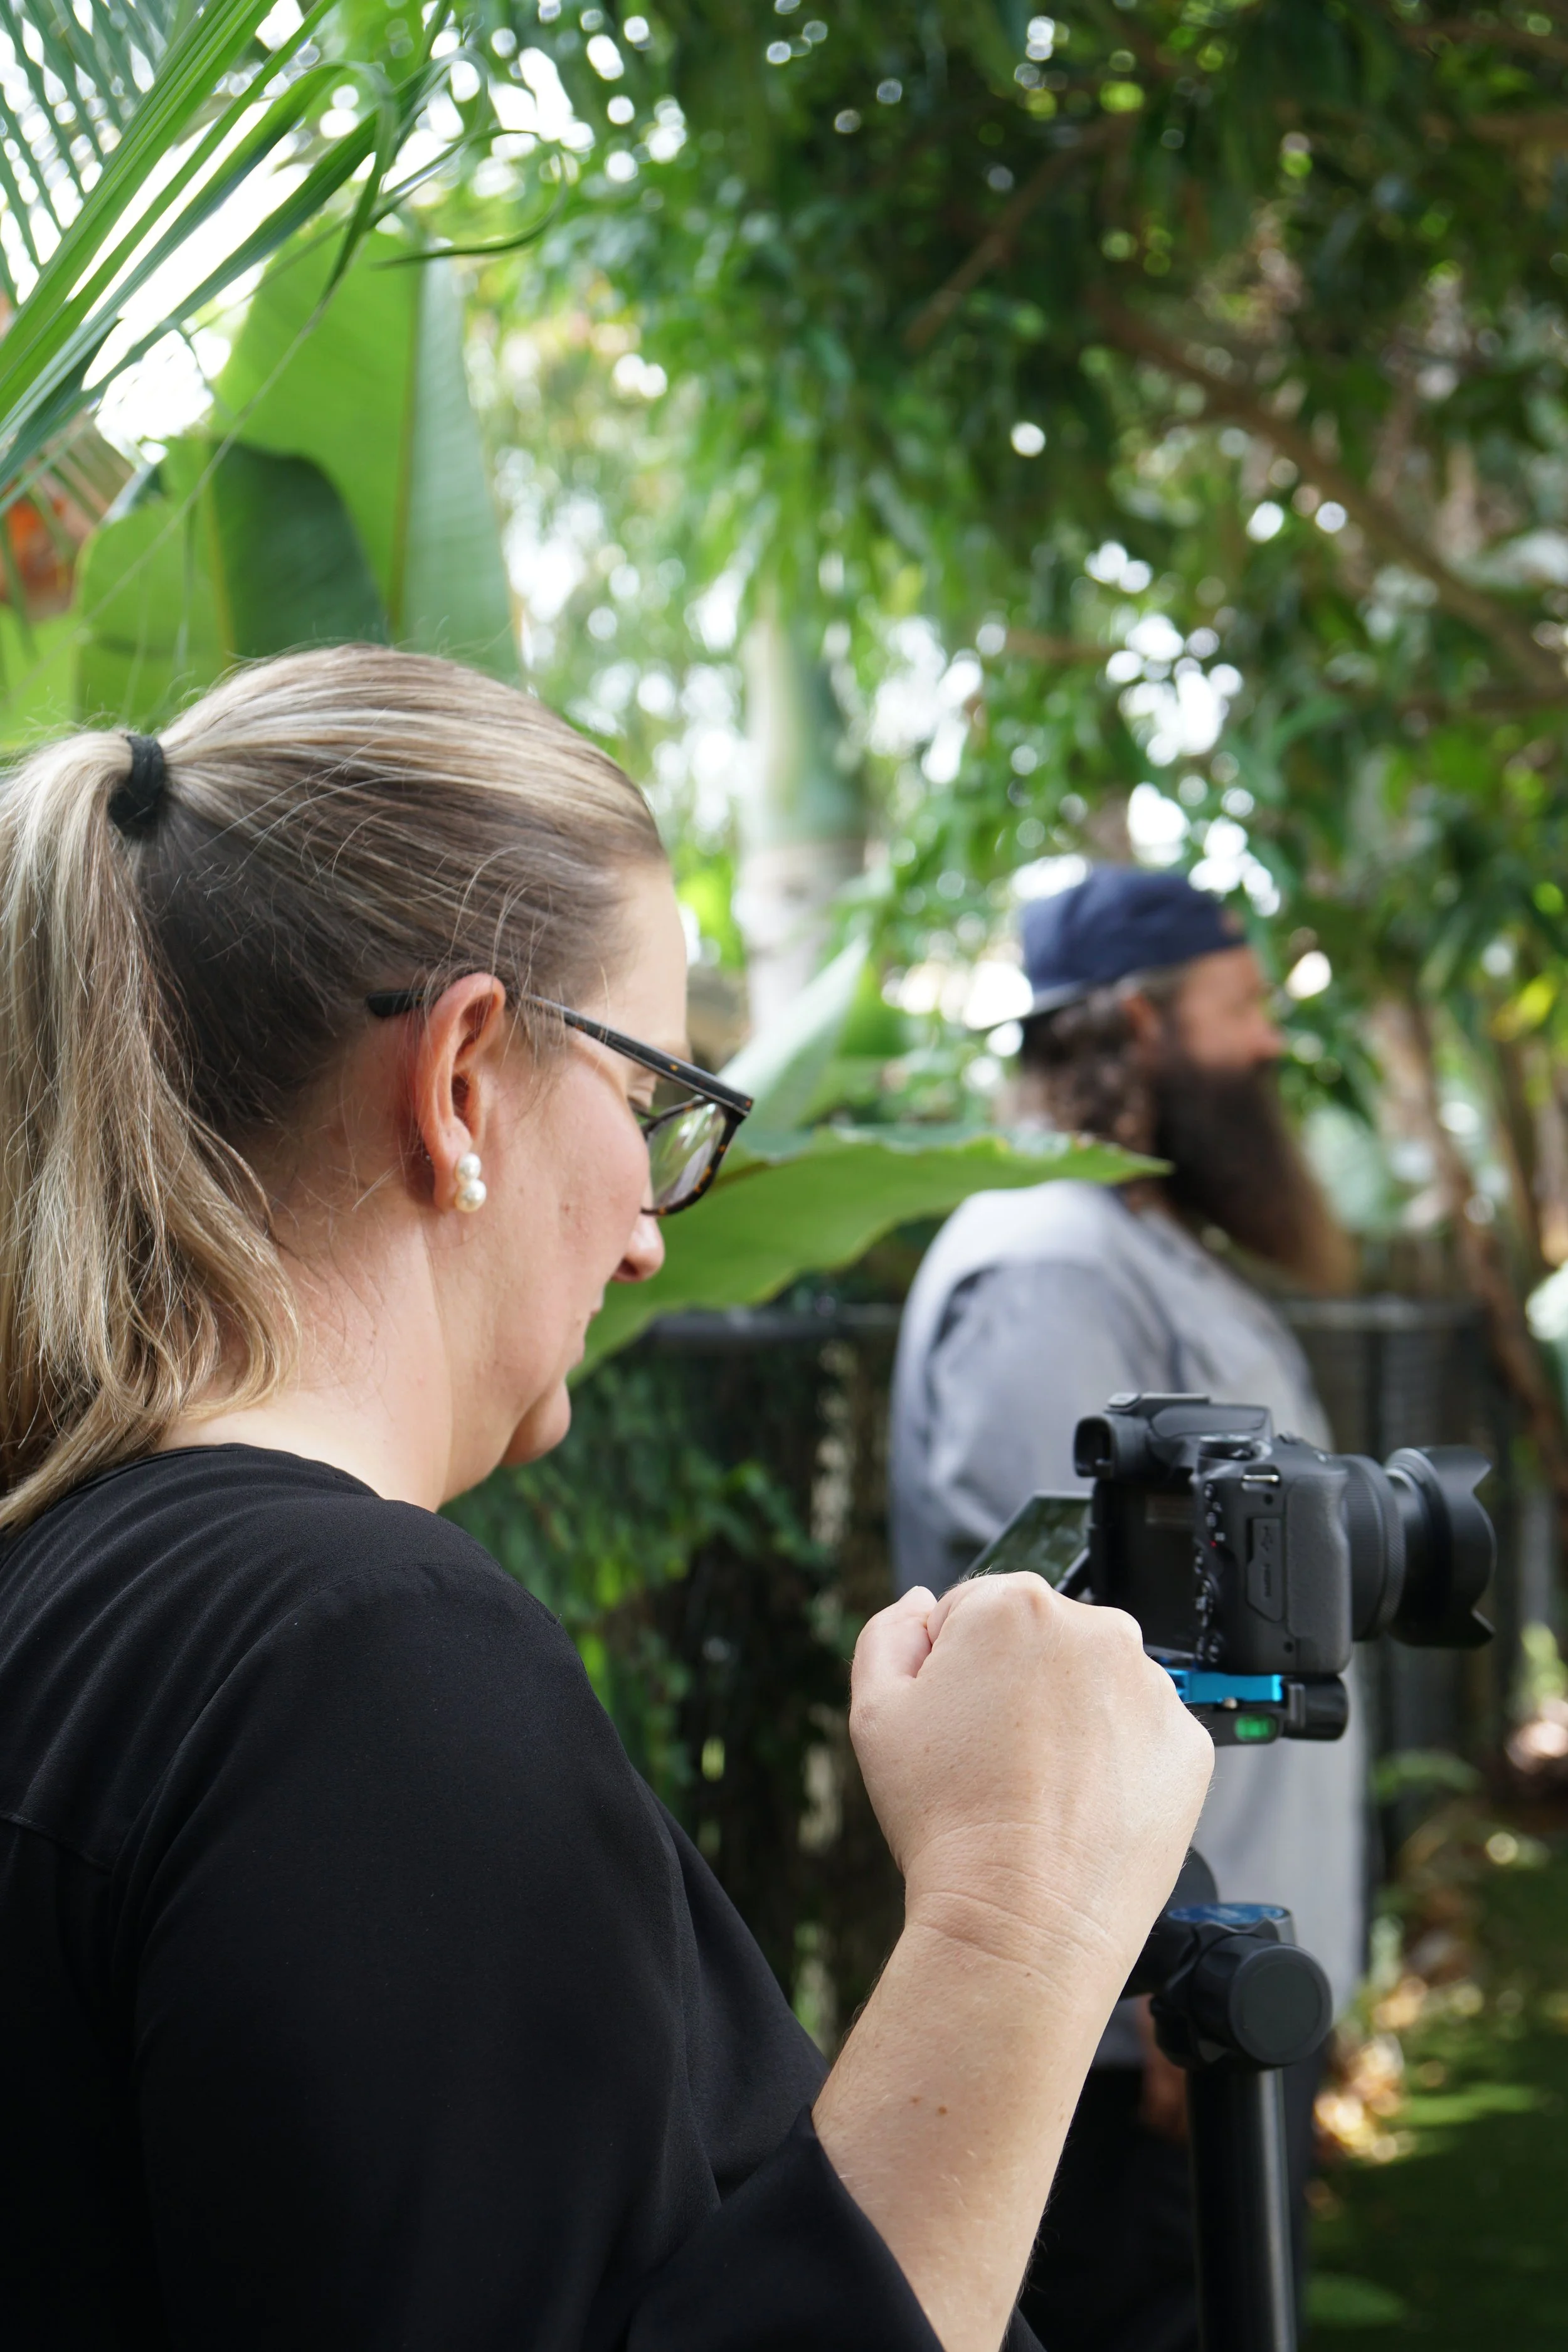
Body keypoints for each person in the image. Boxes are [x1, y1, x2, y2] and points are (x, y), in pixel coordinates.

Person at [0, 650, 1213, 2352]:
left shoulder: (73, 1594)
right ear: (461, 1076)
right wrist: (1018, 1908)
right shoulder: (355, 1657)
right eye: (655, 1101)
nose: (655, 1226)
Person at [889, 864, 1366, 2352]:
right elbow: (1061, 1656)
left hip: (1206, 2012)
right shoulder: (1047, 1267)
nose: (1271, 1047)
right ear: (1141, 1029)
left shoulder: (1125, 1245)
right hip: (1139, 2039)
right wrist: (1173, 1957)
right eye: (1240, 1010)